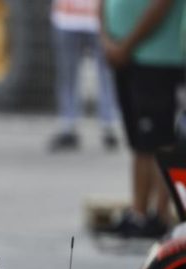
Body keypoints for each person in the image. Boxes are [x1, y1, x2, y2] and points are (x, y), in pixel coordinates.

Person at [101, 0, 186, 238]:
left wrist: (126, 45)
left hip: (157, 57)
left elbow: (161, 5)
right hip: (126, 53)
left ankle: (159, 215)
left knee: (160, 140)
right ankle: (139, 213)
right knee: (140, 142)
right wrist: (106, 38)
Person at [47, 0, 119, 152]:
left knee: (107, 73)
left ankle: (109, 126)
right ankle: (68, 126)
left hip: (100, 18)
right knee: (67, 75)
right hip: (67, 17)